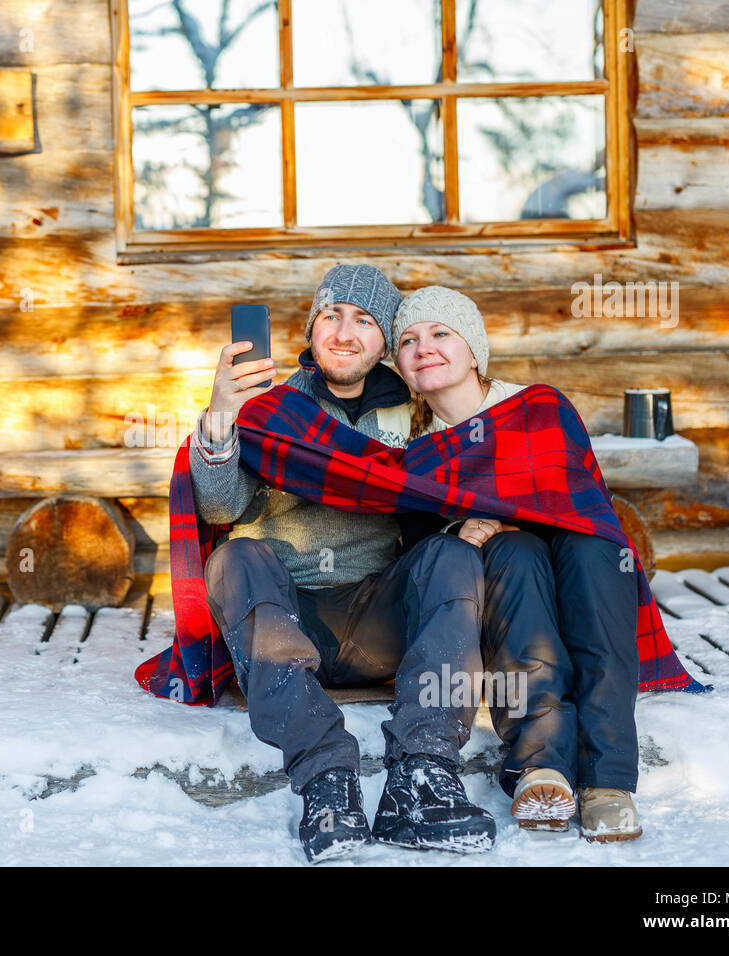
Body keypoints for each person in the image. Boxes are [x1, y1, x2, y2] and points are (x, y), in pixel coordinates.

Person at [189, 264, 497, 863]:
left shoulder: (415, 412)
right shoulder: (270, 405)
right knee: (234, 556)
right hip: (283, 618)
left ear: (385, 341)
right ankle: (328, 776)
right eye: (331, 315)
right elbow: (219, 504)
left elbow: (447, 492)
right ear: (312, 329)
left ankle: (424, 777)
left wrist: (472, 519)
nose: (345, 331)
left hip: (382, 617)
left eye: (365, 320)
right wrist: (222, 415)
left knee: (452, 556)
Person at [389, 285, 644, 843]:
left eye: (440, 333)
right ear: (401, 367)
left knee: (593, 550)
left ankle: (609, 779)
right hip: (510, 583)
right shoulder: (413, 449)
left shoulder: (538, 408)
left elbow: (583, 503)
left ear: (474, 350)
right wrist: (458, 526)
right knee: (513, 550)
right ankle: (541, 763)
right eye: (407, 340)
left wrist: (518, 519)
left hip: (580, 563)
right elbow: (411, 537)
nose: (423, 347)